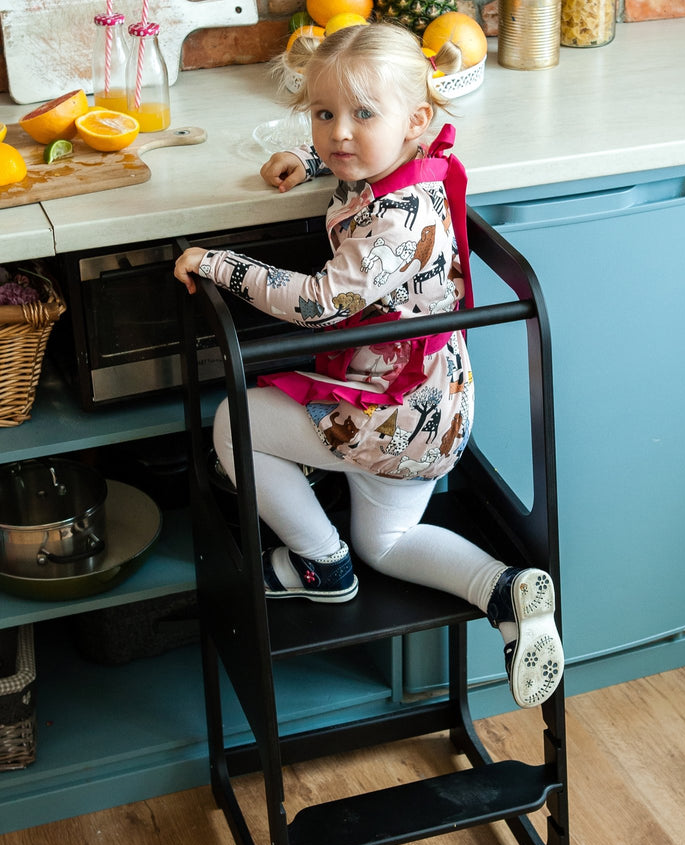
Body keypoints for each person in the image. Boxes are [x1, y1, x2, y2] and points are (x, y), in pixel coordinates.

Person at [174, 21, 564, 708]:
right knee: (387, 540)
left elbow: (322, 302)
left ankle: (319, 564)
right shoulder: (417, 166)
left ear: (414, 120)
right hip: (434, 410)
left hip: (386, 414)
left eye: (361, 115)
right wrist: (314, 161)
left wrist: (219, 264)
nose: (339, 132)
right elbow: (359, 154)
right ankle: (503, 592)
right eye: (324, 115)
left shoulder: (394, 221)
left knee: (235, 422)